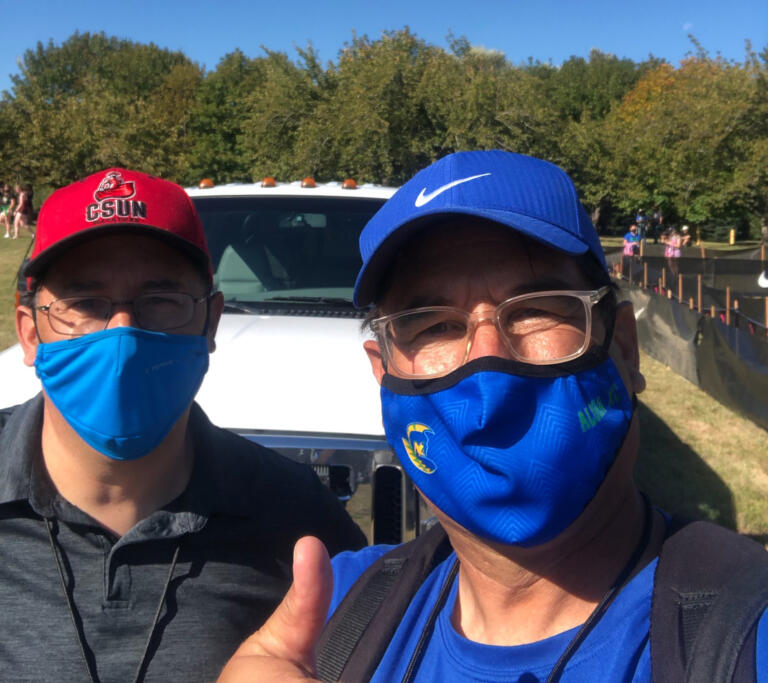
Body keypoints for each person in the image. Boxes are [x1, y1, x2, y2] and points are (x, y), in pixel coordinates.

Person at [220, 151, 768, 682]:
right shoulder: (334, 609)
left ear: (625, 348)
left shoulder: (745, 627)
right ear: (383, 373)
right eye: (433, 325)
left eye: (535, 310)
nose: (488, 358)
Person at [0, 168, 365, 681]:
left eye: (160, 302)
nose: (123, 334)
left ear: (210, 322)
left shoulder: (299, 518)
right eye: (84, 304)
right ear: (31, 332)